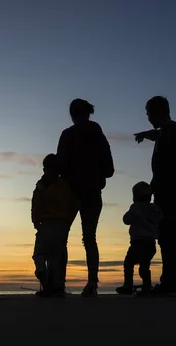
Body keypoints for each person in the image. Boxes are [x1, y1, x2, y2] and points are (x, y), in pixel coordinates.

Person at [133, 96, 176, 296]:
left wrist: (155, 184)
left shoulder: (172, 133)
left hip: (171, 191)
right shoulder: (168, 132)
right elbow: (158, 134)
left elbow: (170, 165)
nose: (148, 117)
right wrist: (147, 134)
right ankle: (173, 282)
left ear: (159, 112)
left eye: (149, 113)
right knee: (168, 235)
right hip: (167, 189)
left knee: (172, 234)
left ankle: (175, 283)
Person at [56, 98, 115, 297]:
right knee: (89, 238)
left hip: (72, 193)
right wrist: (96, 174)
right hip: (91, 193)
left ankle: (58, 282)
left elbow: (60, 167)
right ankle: (91, 283)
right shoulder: (98, 136)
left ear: (73, 114)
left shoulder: (67, 135)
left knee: (62, 236)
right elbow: (110, 169)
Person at [31, 153, 79, 297]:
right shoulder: (65, 186)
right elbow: (73, 204)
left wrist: (35, 221)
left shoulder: (41, 186)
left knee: (39, 253)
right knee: (56, 257)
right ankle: (56, 286)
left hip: (45, 224)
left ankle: (41, 271)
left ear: (45, 169)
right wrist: (68, 222)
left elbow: (35, 204)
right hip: (61, 225)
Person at [116, 181, 163, 296]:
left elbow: (126, 220)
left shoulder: (135, 207)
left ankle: (128, 286)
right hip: (151, 244)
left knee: (128, 264)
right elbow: (160, 219)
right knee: (144, 267)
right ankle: (147, 287)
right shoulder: (154, 208)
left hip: (138, 243)